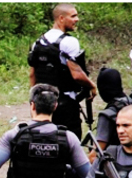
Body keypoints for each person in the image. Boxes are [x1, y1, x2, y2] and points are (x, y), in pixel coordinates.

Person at [28, 3, 97, 139]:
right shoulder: (69, 42)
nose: (77, 19)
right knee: (70, 140)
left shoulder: (37, 43)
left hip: (43, 102)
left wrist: (33, 99)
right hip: (65, 102)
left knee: (45, 138)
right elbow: (77, 75)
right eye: (73, 16)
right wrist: (92, 86)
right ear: (61, 18)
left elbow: (32, 74)